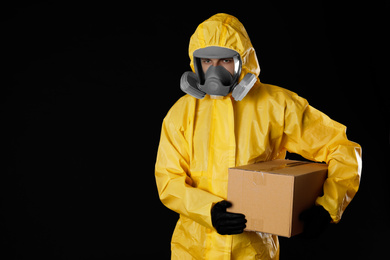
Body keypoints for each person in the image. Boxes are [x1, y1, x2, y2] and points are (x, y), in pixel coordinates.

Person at [155, 13, 362, 259]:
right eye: (207, 61)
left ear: (243, 60)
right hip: (193, 250)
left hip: (254, 252)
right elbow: (168, 180)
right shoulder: (181, 113)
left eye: (225, 61)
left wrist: (328, 207)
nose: (215, 71)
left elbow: (340, 146)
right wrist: (207, 211)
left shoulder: (277, 106)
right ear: (195, 64)